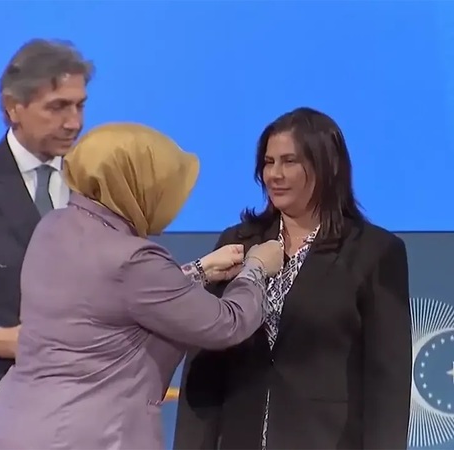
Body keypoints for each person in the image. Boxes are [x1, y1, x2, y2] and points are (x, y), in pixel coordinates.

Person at [0, 122, 285, 450]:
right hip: (91, 435)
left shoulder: (54, 225)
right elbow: (226, 323)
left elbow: (118, 299)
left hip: (13, 424)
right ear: (134, 183)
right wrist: (256, 268)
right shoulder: (133, 259)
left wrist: (201, 271)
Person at [173, 107, 412, 450]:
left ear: (327, 166)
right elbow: (205, 360)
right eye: (268, 162)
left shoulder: (374, 251)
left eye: (289, 162)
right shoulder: (237, 243)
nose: (275, 174)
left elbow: (388, 379)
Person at [0, 39, 93, 449]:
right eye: (58, 107)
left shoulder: (97, 185)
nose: (73, 122)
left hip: (88, 415)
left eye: (80, 106)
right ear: (12, 107)